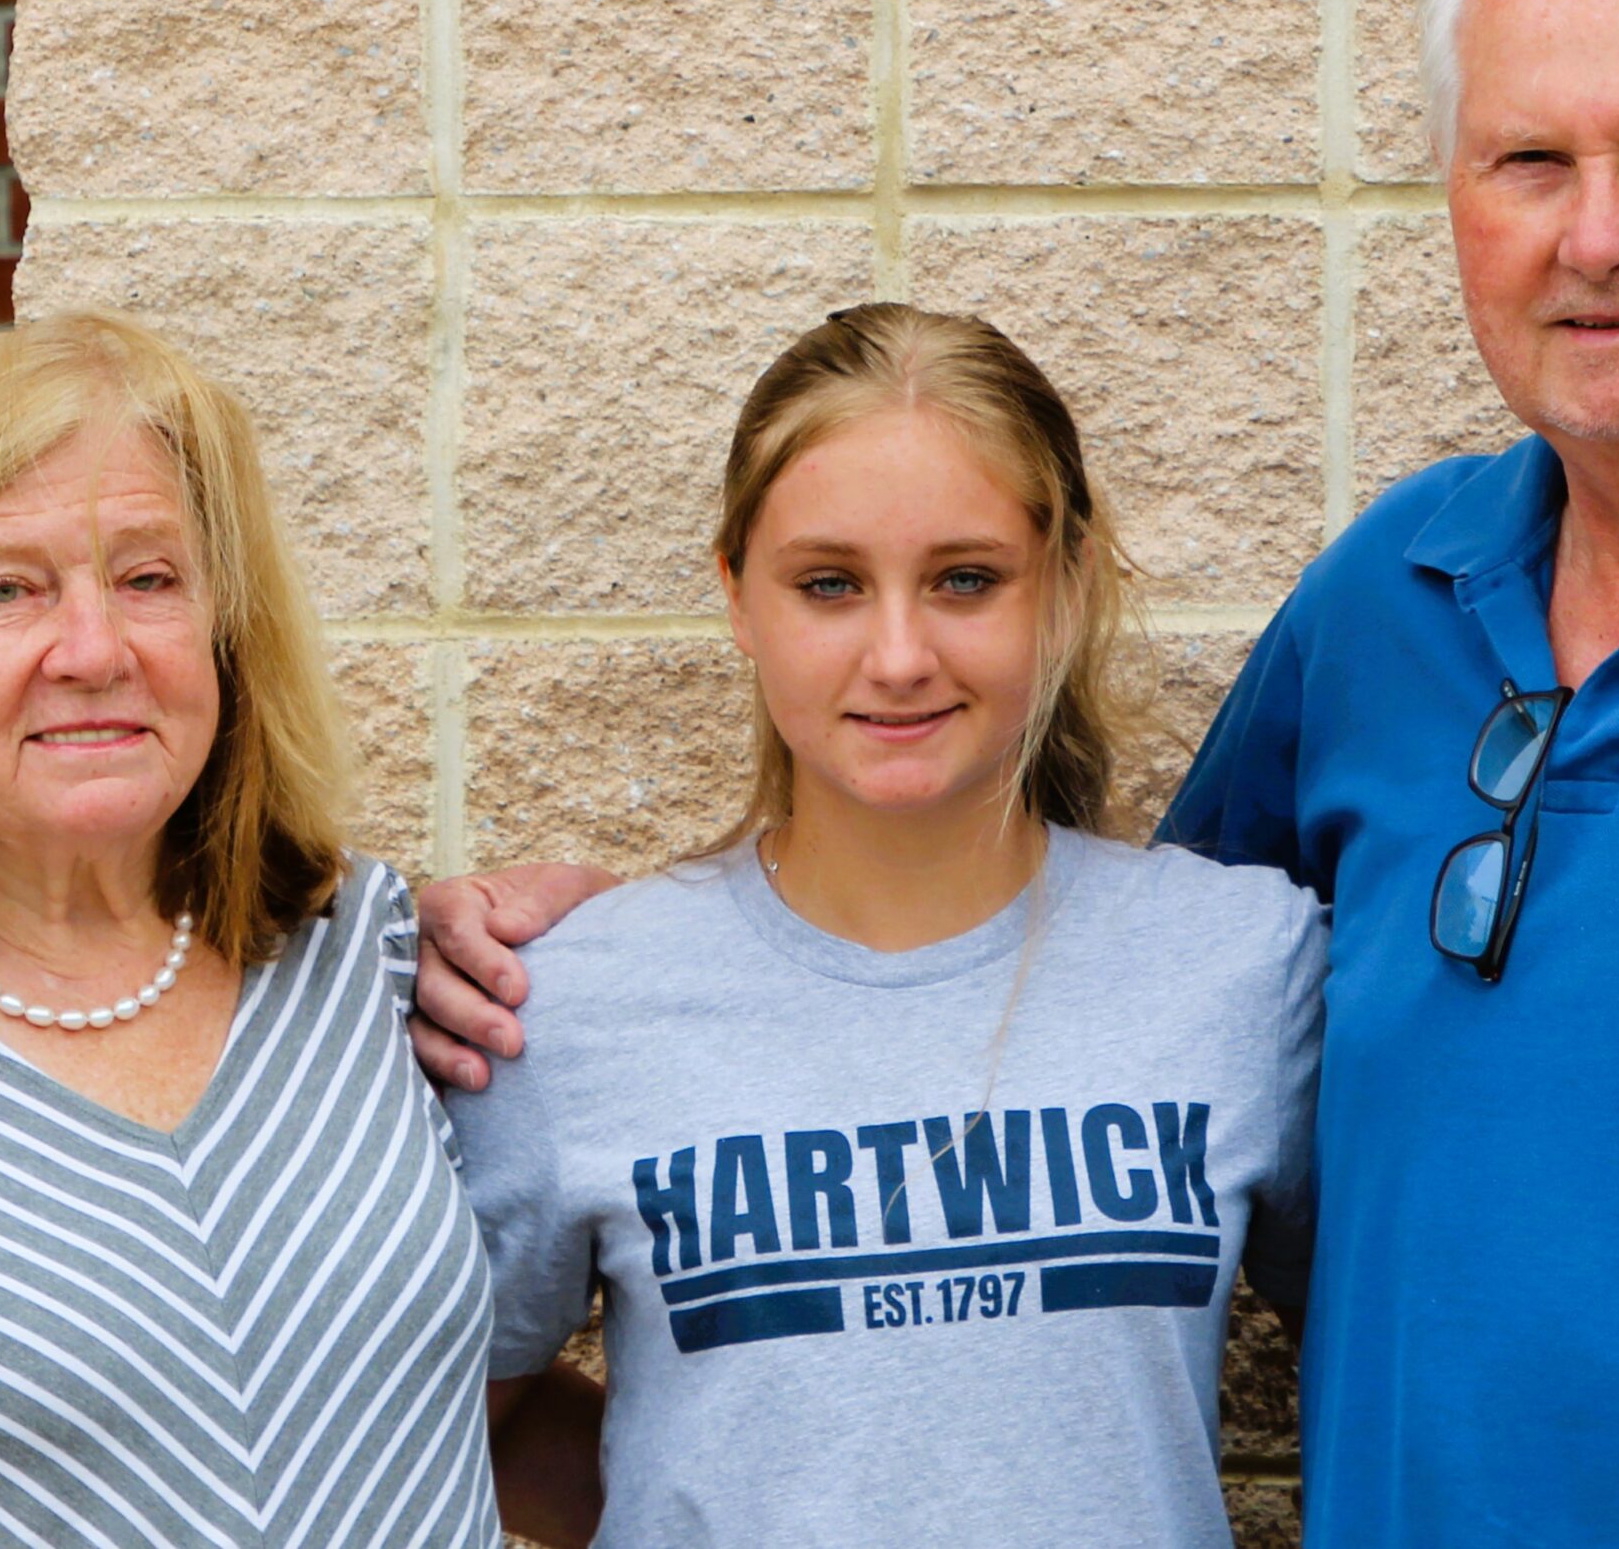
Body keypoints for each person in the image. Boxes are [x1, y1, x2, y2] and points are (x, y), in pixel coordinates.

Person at [417, 0, 1619, 1544]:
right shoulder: (1392, 604)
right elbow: (1085, 982)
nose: (1598, 235)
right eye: (1525, 162)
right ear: (1453, 202)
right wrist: (578, 945)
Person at [0, 314, 597, 1547]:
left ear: (222, 629)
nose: (94, 651)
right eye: (7, 589)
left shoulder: (371, 959)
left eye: (149, 578)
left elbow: (466, 1421)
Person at [451, 303, 1327, 1546]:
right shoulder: (570, 1005)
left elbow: (1404, 1379)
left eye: (965, 579)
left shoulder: (1243, 966)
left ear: (1066, 583)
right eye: (829, 585)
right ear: (739, 601)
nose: (900, 654)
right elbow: (429, 1433)